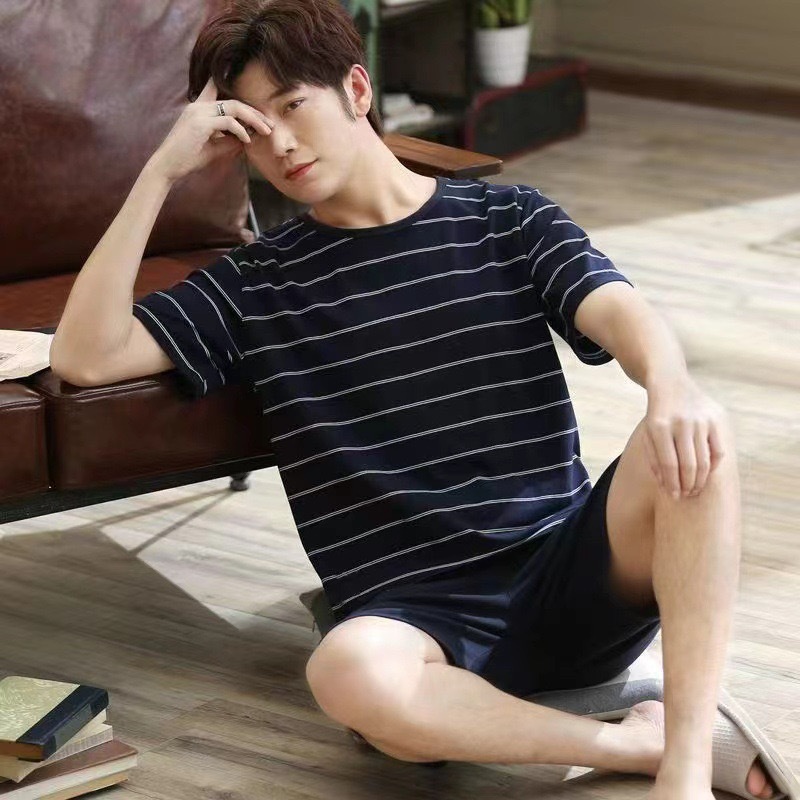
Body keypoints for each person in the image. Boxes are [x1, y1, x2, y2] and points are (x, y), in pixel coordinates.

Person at [49, 2, 774, 798]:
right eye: (254, 128)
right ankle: (637, 745)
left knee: (703, 434)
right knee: (344, 672)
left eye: (293, 105)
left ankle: (685, 768)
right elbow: (85, 355)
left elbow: (622, 313)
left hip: (570, 575)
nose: (280, 144)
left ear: (357, 90)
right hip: (419, 625)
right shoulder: (255, 285)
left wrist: (671, 385)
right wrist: (161, 169)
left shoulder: (507, 220)